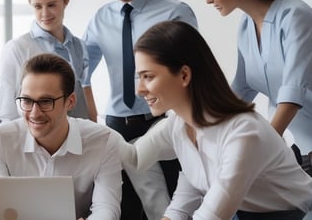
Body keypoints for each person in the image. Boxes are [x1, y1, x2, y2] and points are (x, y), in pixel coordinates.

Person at [123, 20, 312, 220]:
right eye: (139, 77)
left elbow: (212, 214)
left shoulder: (244, 131)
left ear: (184, 75)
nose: (139, 90)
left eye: (148, 77)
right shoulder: (178, 126)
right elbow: (190, 192)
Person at [81, 0, 198, 219]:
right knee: (126, 209)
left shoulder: (175, 12)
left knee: (172, 206)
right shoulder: (100, 18)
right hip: (116, 126)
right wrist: (90, 115)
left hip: (163, 122)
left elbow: (195, 73)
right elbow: (81, 71)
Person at [197, 0, 312, 154]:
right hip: (295, 146)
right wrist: (204, 124)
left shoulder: (295, 16)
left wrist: (263, 148)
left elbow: (292, 93)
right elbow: (242, 87)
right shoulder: (245, 25)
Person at [0, 53, 123, 220]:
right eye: (27, 101)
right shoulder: (0, 139)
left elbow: (107, 209)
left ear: (71, 102)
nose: (35, 113)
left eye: (46, 102)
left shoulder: (104, 141)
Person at [0, 0, 97, 122]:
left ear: (66, 1)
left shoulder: (79, 46)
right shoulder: (17, 48)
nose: (44, 14)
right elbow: (8, 113)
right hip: (36, 139)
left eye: (51, 5)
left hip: (78, 135)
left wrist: (96, 129)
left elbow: (85, 93)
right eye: (37, 6)